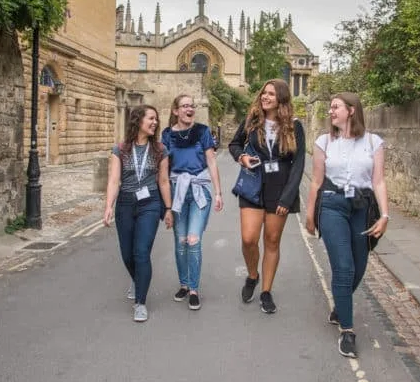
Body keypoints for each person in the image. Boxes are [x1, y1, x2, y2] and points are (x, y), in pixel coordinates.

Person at [304, 92, 389, 358]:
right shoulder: (324, 142)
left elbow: (378, 181)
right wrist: (310, 214)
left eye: (336, 107)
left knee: (359, 269)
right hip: (331, 205)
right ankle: (347, 331)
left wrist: (385, 216)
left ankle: (340, 306)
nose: (331, 111)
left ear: (351, 110)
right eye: (329, 107)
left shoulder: (373, 142)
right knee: (344, 266)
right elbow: (316, 181)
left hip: (362, 208)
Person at [228, 79, 305, 314]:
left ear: (281, 98)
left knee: (272, 241)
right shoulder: (252, 120)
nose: (265, 97)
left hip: (280, 189)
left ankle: (266, 291)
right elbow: (234, 144)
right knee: (249, 239)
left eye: (271, 94)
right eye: (264, 93)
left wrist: (287, 198)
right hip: (253, 184)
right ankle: (253, 275)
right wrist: (241, 157)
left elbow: (299, 163)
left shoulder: (294, 125)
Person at [103, 105, 173, 323]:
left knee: (141, 252)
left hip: (150, 203)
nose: (154, 122)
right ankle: (138, 279)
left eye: (156, 119)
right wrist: (108, 206)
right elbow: (114, 180)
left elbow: (163, 180)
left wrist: (169, 209)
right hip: (125, 203)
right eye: (150, 118)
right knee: (127, 254)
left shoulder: (160, 150)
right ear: (138, 121)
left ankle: (140, 303)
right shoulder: (120, 149)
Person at [161, 94, 223, 311]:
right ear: (176, 111)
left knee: (193, 239)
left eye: (192, 106)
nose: (189, 109)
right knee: (180, 241)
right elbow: (164, 168)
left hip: (199, 190)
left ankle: (194, 289)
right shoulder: (167, 134)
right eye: (184, 106)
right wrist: (165, 203)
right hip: (177, 190)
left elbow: (211, 161)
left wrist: (217, 192)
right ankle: (184, 284)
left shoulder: (203, 131)